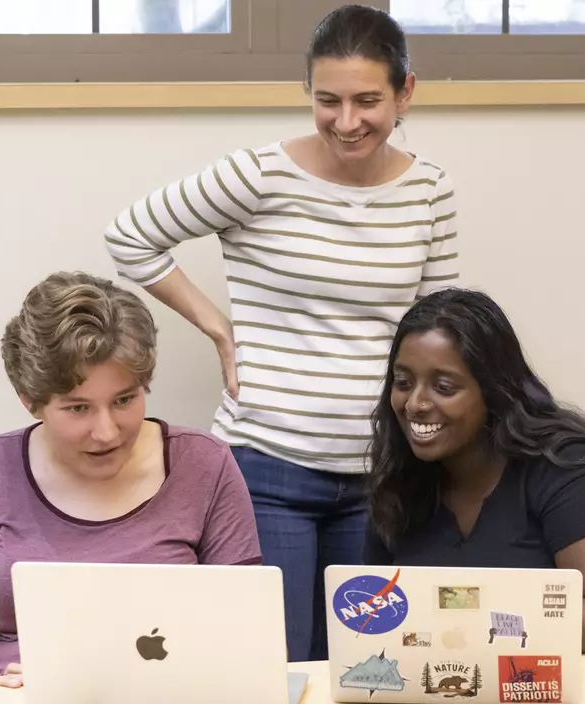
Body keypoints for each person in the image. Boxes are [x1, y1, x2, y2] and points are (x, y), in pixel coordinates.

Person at [102, 5, 459, 662]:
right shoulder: (259, 175)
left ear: (406, 91)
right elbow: (130, 236)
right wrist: (219, 330)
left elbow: (439, 327)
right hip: (263, 470)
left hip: (380, 476)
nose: (346, 122)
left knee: (367, 671)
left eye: (367, 101)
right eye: (328, 100)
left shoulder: (430, 191)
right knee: (268, 670)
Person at [0, 272, 262, 689]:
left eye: (124, 400)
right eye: (77, 408)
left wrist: (79, 681)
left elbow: (244, 645)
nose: (106, 432)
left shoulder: (205, 464)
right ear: (30, 401)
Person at [364, 288, 585, 653]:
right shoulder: (401, 477)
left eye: (443, 387)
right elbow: (378, 617)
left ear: (493, 391)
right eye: (403, 383)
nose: (415, 403)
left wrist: (462, 639)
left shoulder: (566, 466)